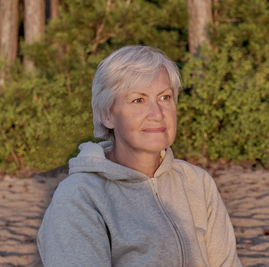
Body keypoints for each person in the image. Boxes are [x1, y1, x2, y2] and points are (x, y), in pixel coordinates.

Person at [37, 45, 242, 267]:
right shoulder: (80, 197)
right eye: (138, 100)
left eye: (165, 97)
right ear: (107, 115)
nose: (157, 114)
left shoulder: (198, 183)